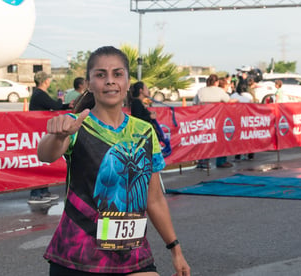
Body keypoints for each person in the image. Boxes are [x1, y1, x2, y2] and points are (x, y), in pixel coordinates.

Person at [38, 46, 190, 275]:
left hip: (132, 256)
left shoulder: (145, 131)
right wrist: (57, 135)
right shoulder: (75, 124)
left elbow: (155, 199)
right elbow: (46, 154)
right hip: (76, 258)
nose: (110, 81)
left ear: (128, 82)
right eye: (101, 75)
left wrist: (175, 249)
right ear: (89, 84)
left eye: (117, 74)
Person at [28, 71, 71, 204]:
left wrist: (66, 106)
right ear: (45, 81)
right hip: (37, 132)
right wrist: (61, 101)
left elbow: (53, 106)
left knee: (43, 164)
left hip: (40, 132)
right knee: (39, 163)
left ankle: (43, 190)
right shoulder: (39, 94)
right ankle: (36, 193)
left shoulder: (38, 94)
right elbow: (54, 105)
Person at [194, 74, 237, 169]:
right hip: (218, 119)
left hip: (204, 119)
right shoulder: (219, 91)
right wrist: (237, 100)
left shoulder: (201, 90)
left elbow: (194, 103)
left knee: (205, 139)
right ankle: (221, 161)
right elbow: (228, 101)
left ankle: (202, 162)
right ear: (216, 82)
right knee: (221, 139)